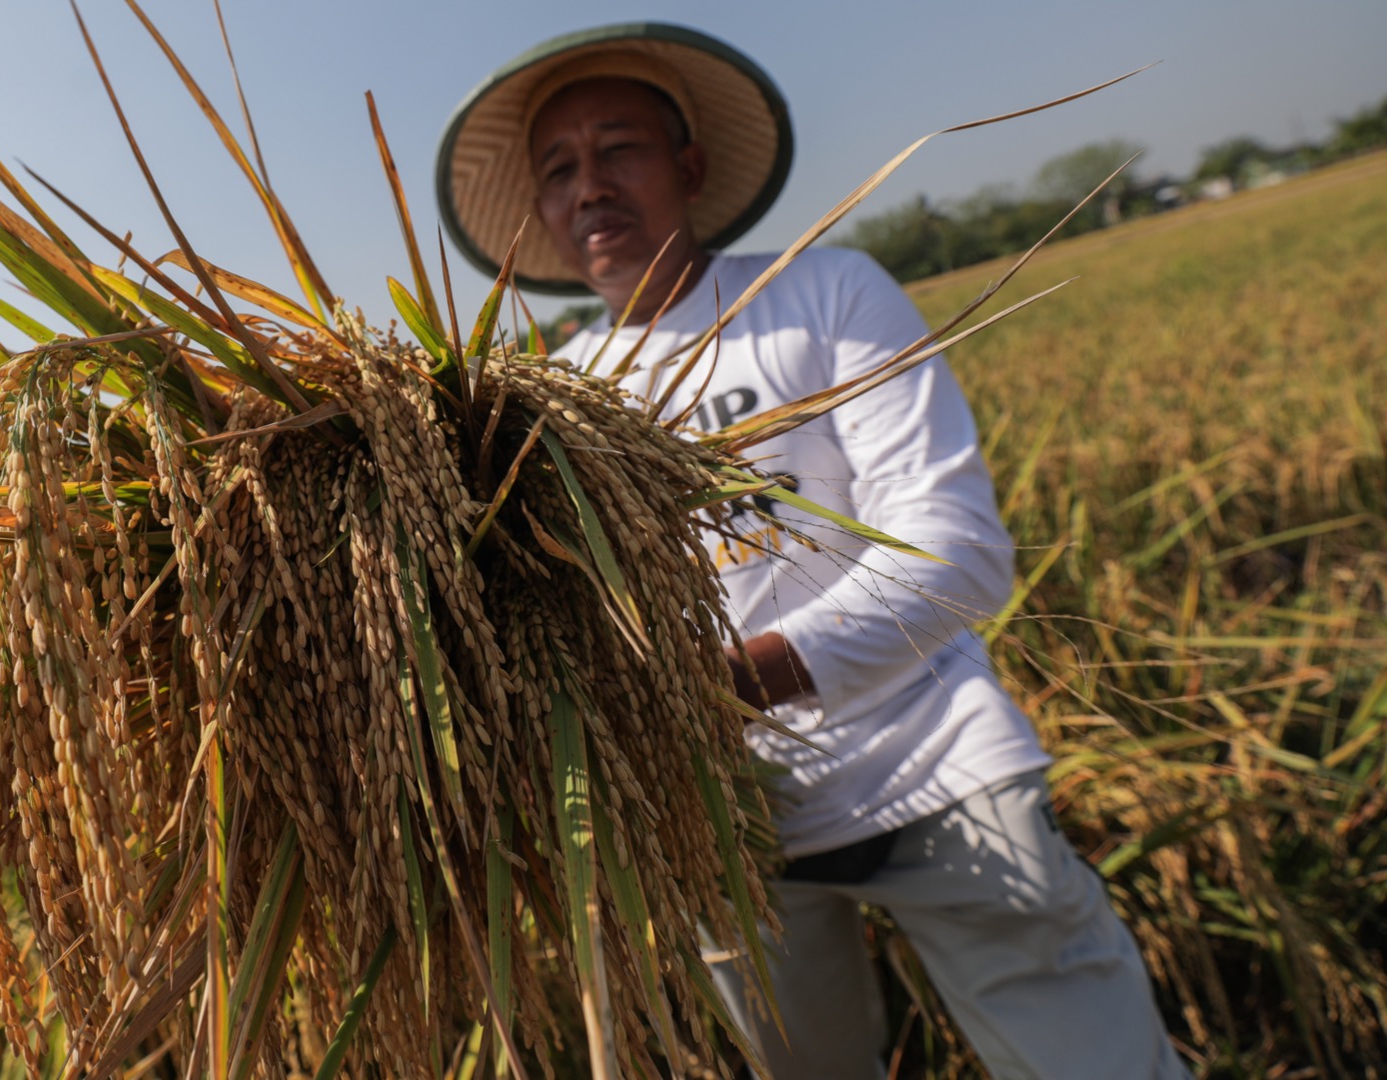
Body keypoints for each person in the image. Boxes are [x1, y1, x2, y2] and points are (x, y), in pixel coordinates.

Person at [436, 24, 1188, 1080]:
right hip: (728, 824)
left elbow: (961, 551)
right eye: (559, 169)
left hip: (931, 768)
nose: (590, 186)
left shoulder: (824, 295)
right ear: (540, 214)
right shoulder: (551, 407)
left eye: (621, 150)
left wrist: (731, 682)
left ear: (690, 168)